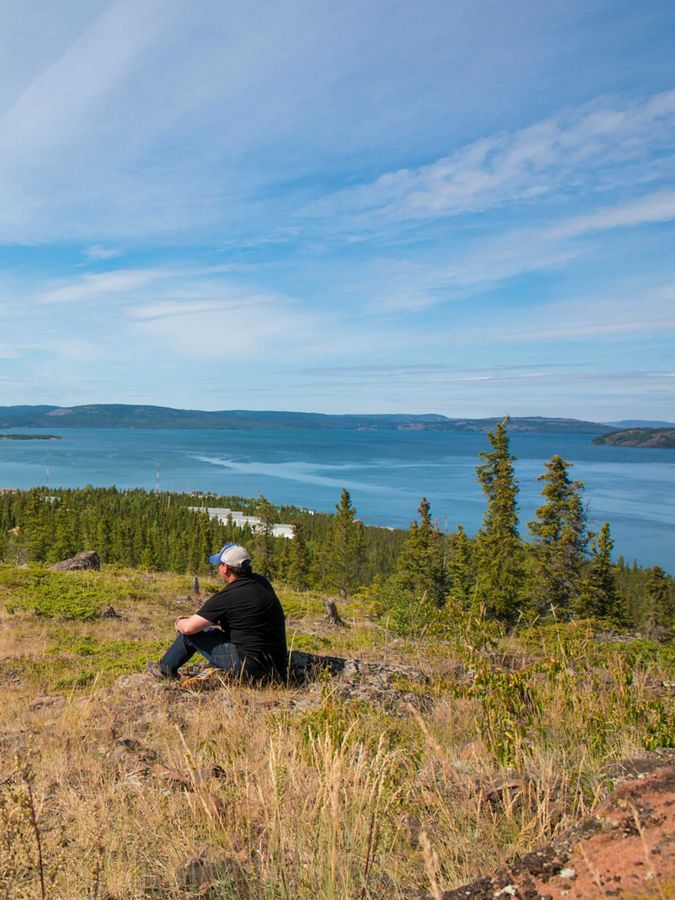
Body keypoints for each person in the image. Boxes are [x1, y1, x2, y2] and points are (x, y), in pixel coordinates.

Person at [147, 543, 287, 682]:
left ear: (225, 568)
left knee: (192, 635)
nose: (219, 568)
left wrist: (179, 622)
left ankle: (163, 670)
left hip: (249, 668)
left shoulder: (228, 595)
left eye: (219, 565)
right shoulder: (262, 582)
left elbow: (189, 628)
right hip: (277, 668)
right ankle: (215, 669)